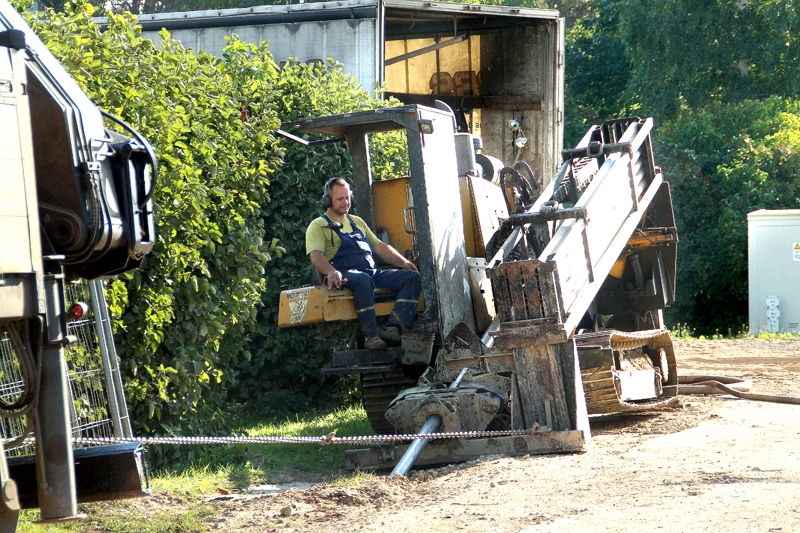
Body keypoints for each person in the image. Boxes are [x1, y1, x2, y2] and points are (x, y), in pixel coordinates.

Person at [306, 177, 422, 350]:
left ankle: (393, 328)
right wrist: (330, 271)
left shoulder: (357, 222)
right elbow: (315, 256)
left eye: (347, 197)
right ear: (327, 200)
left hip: (370, 273)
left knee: (412, 277)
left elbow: (380, 247)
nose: (345, 202)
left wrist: (403, 262)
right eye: (340, 199)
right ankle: (371, 335)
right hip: (344, 274)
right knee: (362, 280)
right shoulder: (318, 225)